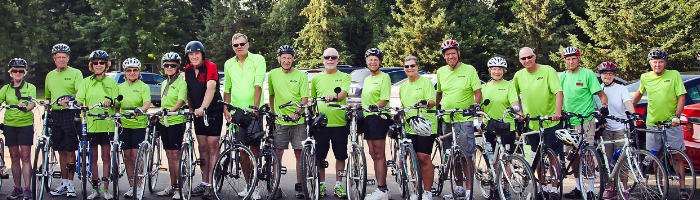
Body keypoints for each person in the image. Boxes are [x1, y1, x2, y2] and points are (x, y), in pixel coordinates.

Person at [632, 49, 689, 200]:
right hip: (652, 123)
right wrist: (630, 109)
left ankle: (683, 189)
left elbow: (681, 97)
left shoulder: (674, 74)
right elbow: (639, 93)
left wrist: (677, 116)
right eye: (654, 62)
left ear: (665, 63)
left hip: (671, 123)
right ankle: (660, 185)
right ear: (650, 63)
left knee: (677, 156)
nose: (657, 65)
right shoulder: (645, 77)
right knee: (656, 157)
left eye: (660, 62)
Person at [512, 47, 563, 200]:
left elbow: (558, 92)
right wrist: (520, 112)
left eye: (529, 57)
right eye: (523, 59)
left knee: (553, 156)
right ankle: (544, 187)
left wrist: (558, 112)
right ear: (520, 60)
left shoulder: (548, 70)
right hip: (532, 123)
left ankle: (554, 189)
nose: (527, 61)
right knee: (537, 157)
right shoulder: (518, 75)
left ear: (535, 56)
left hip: (550, 121)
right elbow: (515, 96)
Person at [558, 46, 609, 199]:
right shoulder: (563, 76)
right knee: (573, 155)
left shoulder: (587, 74)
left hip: (585, 120)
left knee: (587, 154)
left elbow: (601, 95)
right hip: (568, 121)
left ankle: (592, 189)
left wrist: (604, 108)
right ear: (565, 61)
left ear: (579, 59)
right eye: (568, 59)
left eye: (574, 58)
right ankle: (579, 187)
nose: (571, 61)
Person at [435, 40, 482, 199]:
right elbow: (439, 93)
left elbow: (477, 92)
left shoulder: (469, 70)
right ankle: (459, 188)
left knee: (466, 155)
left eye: (453, 53)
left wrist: (475, 106)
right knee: (452, 155)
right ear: (444, 56)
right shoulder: (441, 71)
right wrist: (435, 109)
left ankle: (469, 191)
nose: (450, 56)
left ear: (458, 54)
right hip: (447, 119)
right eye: (447, 54)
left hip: (464, 119)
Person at [223, 33, 266, 200]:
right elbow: (227, 88)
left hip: (253, 112)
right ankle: (248, 185)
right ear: (232, 47)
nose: (239, 47)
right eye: (235, 45)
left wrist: (255, 107)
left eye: (242, 44)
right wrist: (226, 109)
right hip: (237, 113)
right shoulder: (228, 64)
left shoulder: (258, 59)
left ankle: (255, 188)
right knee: (242, 152)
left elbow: (258, 84)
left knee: (254, 151)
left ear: (247, 44)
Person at [183, 41, 225, 199]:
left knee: (212, 146)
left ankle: (213, 184)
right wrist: (191, 108)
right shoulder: (187, 70)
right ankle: (204, 183)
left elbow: (211, 88)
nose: (194, 56)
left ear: (202, 54)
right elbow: (188, 91)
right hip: (197, 113)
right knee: (202, 147)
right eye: (191, 54)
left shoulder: (210, 66)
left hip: (212, 110)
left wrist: (203, 107)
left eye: (197, 53)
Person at [267, 45, 310, 199]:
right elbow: (271, 95)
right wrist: (273, 113)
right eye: (283, 57)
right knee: (277, 153)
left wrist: (297, 113)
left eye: (289, 58)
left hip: (298, 121)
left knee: (299, 153)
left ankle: (299, 185)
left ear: (293, 59)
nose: (286, 60)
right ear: (279, 58)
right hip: (280, 121)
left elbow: (304, 98)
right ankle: (275, 185)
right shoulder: (272, 74)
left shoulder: (301, 75)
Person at [76, 50, 120, 200]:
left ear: (106, 65)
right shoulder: (86, 82)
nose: (99, 65)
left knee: (106, 157)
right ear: (91, 65)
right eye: (96, 63)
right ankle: (95, 189)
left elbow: (117, 102)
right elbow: (80, 99)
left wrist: (111, 103)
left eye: (102, 63)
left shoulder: (112, 82)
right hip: (92, 123)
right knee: (93, 157)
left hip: (107, 124)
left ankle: (106, 189)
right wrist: (75, 104)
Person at [311, 48, 351, 199]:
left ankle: (338, 186)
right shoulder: (316, 78)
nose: (330, 59)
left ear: (338, 60)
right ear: (323, 59)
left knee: (340, 156)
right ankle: (321, 185)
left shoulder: (345, 77)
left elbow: (342, 95)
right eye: (327, 57)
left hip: (339, 124)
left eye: (333, 57)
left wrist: (333, 97)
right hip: (321, 125)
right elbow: (313, 101)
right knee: (320, 157)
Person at [398, 56, 438, 200]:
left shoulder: (425, 82)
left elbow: (432, 101)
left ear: (417, 66)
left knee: (424, 157)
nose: (410, 68)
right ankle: (416, 189)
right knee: (413, 158)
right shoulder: (403, 86)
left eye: (412, 66)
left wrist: (426, 103)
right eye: (407, 66)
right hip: (409, 126)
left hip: (425, 125)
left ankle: (427, 192)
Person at [596, 61, 636, 199]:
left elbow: (628, 103)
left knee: (622, 160)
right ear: (600, 75)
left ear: (614, 75)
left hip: (620, 128)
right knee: (609, 161)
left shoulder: (621, 88)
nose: (608, 76)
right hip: (606, 128)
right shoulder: (598, 89)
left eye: (611, 73)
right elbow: (596, 108)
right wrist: (600, 120)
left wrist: (633, 114)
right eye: (605, 73)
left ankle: (623, 188)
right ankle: (611, 187)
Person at [47, 43, 82, 198]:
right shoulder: (49, 75)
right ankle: (64, 183)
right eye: (58, 57)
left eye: (64, 57)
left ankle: (71, 184)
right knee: (60, 149)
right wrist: (47, 111)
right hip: (56, 115)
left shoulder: (76, 73)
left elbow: (79, 92)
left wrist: (69, 99)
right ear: (54, 58)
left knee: (70, 150)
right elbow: (48, 96)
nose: (61, 60)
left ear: (68, 58)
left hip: (70, 114)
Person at [1, 58, 36, 200]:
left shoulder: (30, 87)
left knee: (25, 157)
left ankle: (28, 189)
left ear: (24, 72)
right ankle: (18, 188)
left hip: (25, 124)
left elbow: (33, 104)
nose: (17, 73)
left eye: (20, 71)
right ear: (10, 73)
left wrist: (26, 109)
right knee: (14, 157)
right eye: (14, 71)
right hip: (10, 125)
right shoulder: (6, 89)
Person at [116, 58, 151, 198]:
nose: (132, 72)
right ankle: (132, 186)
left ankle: (139, 185)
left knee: (137, 155)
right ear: (125, 72)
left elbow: (147, 103)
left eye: (135, 70)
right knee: (127, 156)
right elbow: (116, 105)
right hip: (124, 125)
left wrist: (140, 109)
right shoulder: (120, 87)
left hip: (139, 124)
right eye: (129, 70)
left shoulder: (144, 87)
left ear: (139, 72)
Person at [361, 48, 393, 200]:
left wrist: (377, 106)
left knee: (379, 154)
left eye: (375, 59)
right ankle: (381, 188)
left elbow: (384, 99)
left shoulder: (384, 77)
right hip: (368, 117)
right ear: (366, 61)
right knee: (373, 153)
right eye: (370, 59)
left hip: (379, 116)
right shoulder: (367, 79)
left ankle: (383, 189)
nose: (372, 62)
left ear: (380, 61)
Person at [156, 52, 187, 200]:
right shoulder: (164, 83)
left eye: (172, 65)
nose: (169, 67)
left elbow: (180, 101)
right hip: (164, 122)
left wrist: (171, 111)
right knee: (168, 155)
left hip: (176, 121)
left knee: (175, 155)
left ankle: (179, 188)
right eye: (167, 65)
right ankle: (172, 184)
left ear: (177, 67)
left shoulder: (181, 83)